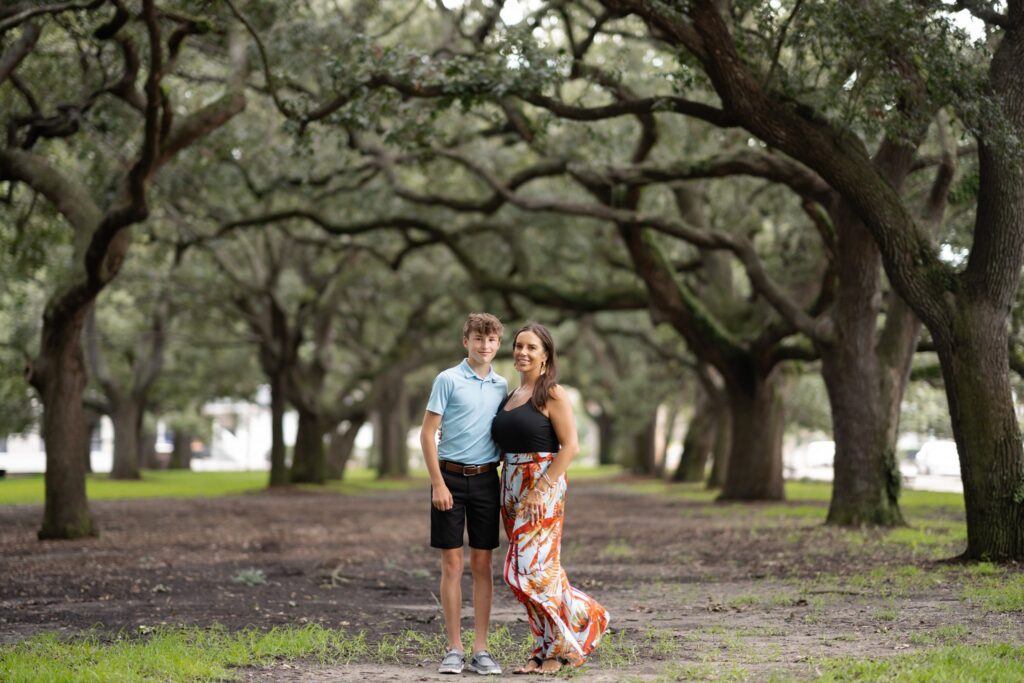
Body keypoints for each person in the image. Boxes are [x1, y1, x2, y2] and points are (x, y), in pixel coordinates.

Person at [491, 323, 609, 674]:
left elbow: (570, 446)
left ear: (546, 355)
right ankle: (543, 648)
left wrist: (540, 488)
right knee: (536, 571)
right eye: (518, 346)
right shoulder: (510, 397)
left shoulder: (552, 393)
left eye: (531, 347)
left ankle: (579, 625)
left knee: (525, 572)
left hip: (541, 485)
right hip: (509, 484)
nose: (522, 353)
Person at [420, 313, 508, 676]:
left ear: (498, 344)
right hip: (450, 480)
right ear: (465, 341)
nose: (484, 345)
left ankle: (481, 649)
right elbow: (427, 435)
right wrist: (438, 483)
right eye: (477, 339)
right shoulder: (448, 379)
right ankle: (454, 648)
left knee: (483, 564)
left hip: (488, 481)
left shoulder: (504, 385)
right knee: (452, 564)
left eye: (490, 340)